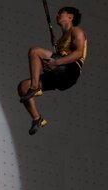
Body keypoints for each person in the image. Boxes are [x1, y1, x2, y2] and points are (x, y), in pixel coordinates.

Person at [17, 6, 87, 135]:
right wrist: (49, 63)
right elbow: (54, 59)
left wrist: (56, 62)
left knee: (35, 51)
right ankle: (37, 119)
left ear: (70, 17)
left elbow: (78, 53)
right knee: (22, 87)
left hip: (70, 71)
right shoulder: (61, 40)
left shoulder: (76, 31)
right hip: (59, 75)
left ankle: (34, 88)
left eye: (61, 13)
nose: (57, 15)